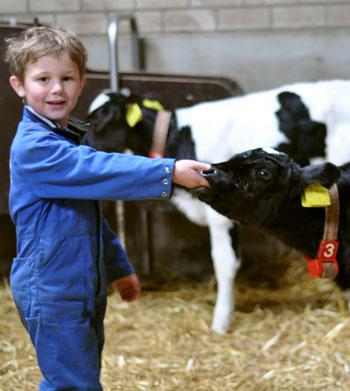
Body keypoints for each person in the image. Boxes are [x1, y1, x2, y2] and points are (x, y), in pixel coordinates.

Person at [5, 25, 210, 391]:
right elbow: (96, 168)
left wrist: (118, 268)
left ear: (82, 84)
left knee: (78, 375)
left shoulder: (61, 136)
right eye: (43, 79)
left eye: (67, 78)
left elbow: (89, 221)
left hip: (80, 283)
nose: (56, 89)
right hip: (52, 287)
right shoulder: (36, 147)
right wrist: (169, 170)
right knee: (73, 383)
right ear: (19, 85)